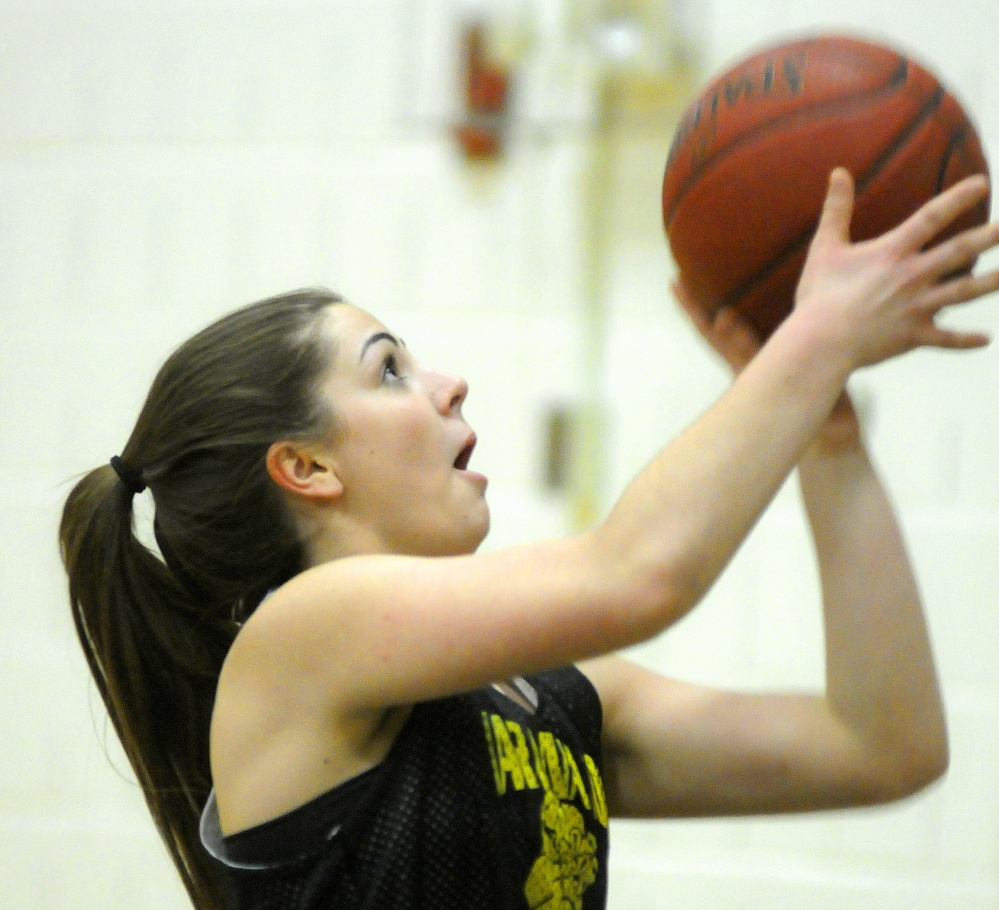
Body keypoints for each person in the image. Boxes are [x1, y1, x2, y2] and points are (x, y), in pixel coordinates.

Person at [60, 168, 999, 910]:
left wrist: (826, 440)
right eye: (389, 370)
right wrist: (816, 340)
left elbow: (882, 746)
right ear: (305, 469)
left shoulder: (557, 701)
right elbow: (640, 573)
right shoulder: (298, 641)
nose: (448, 383)